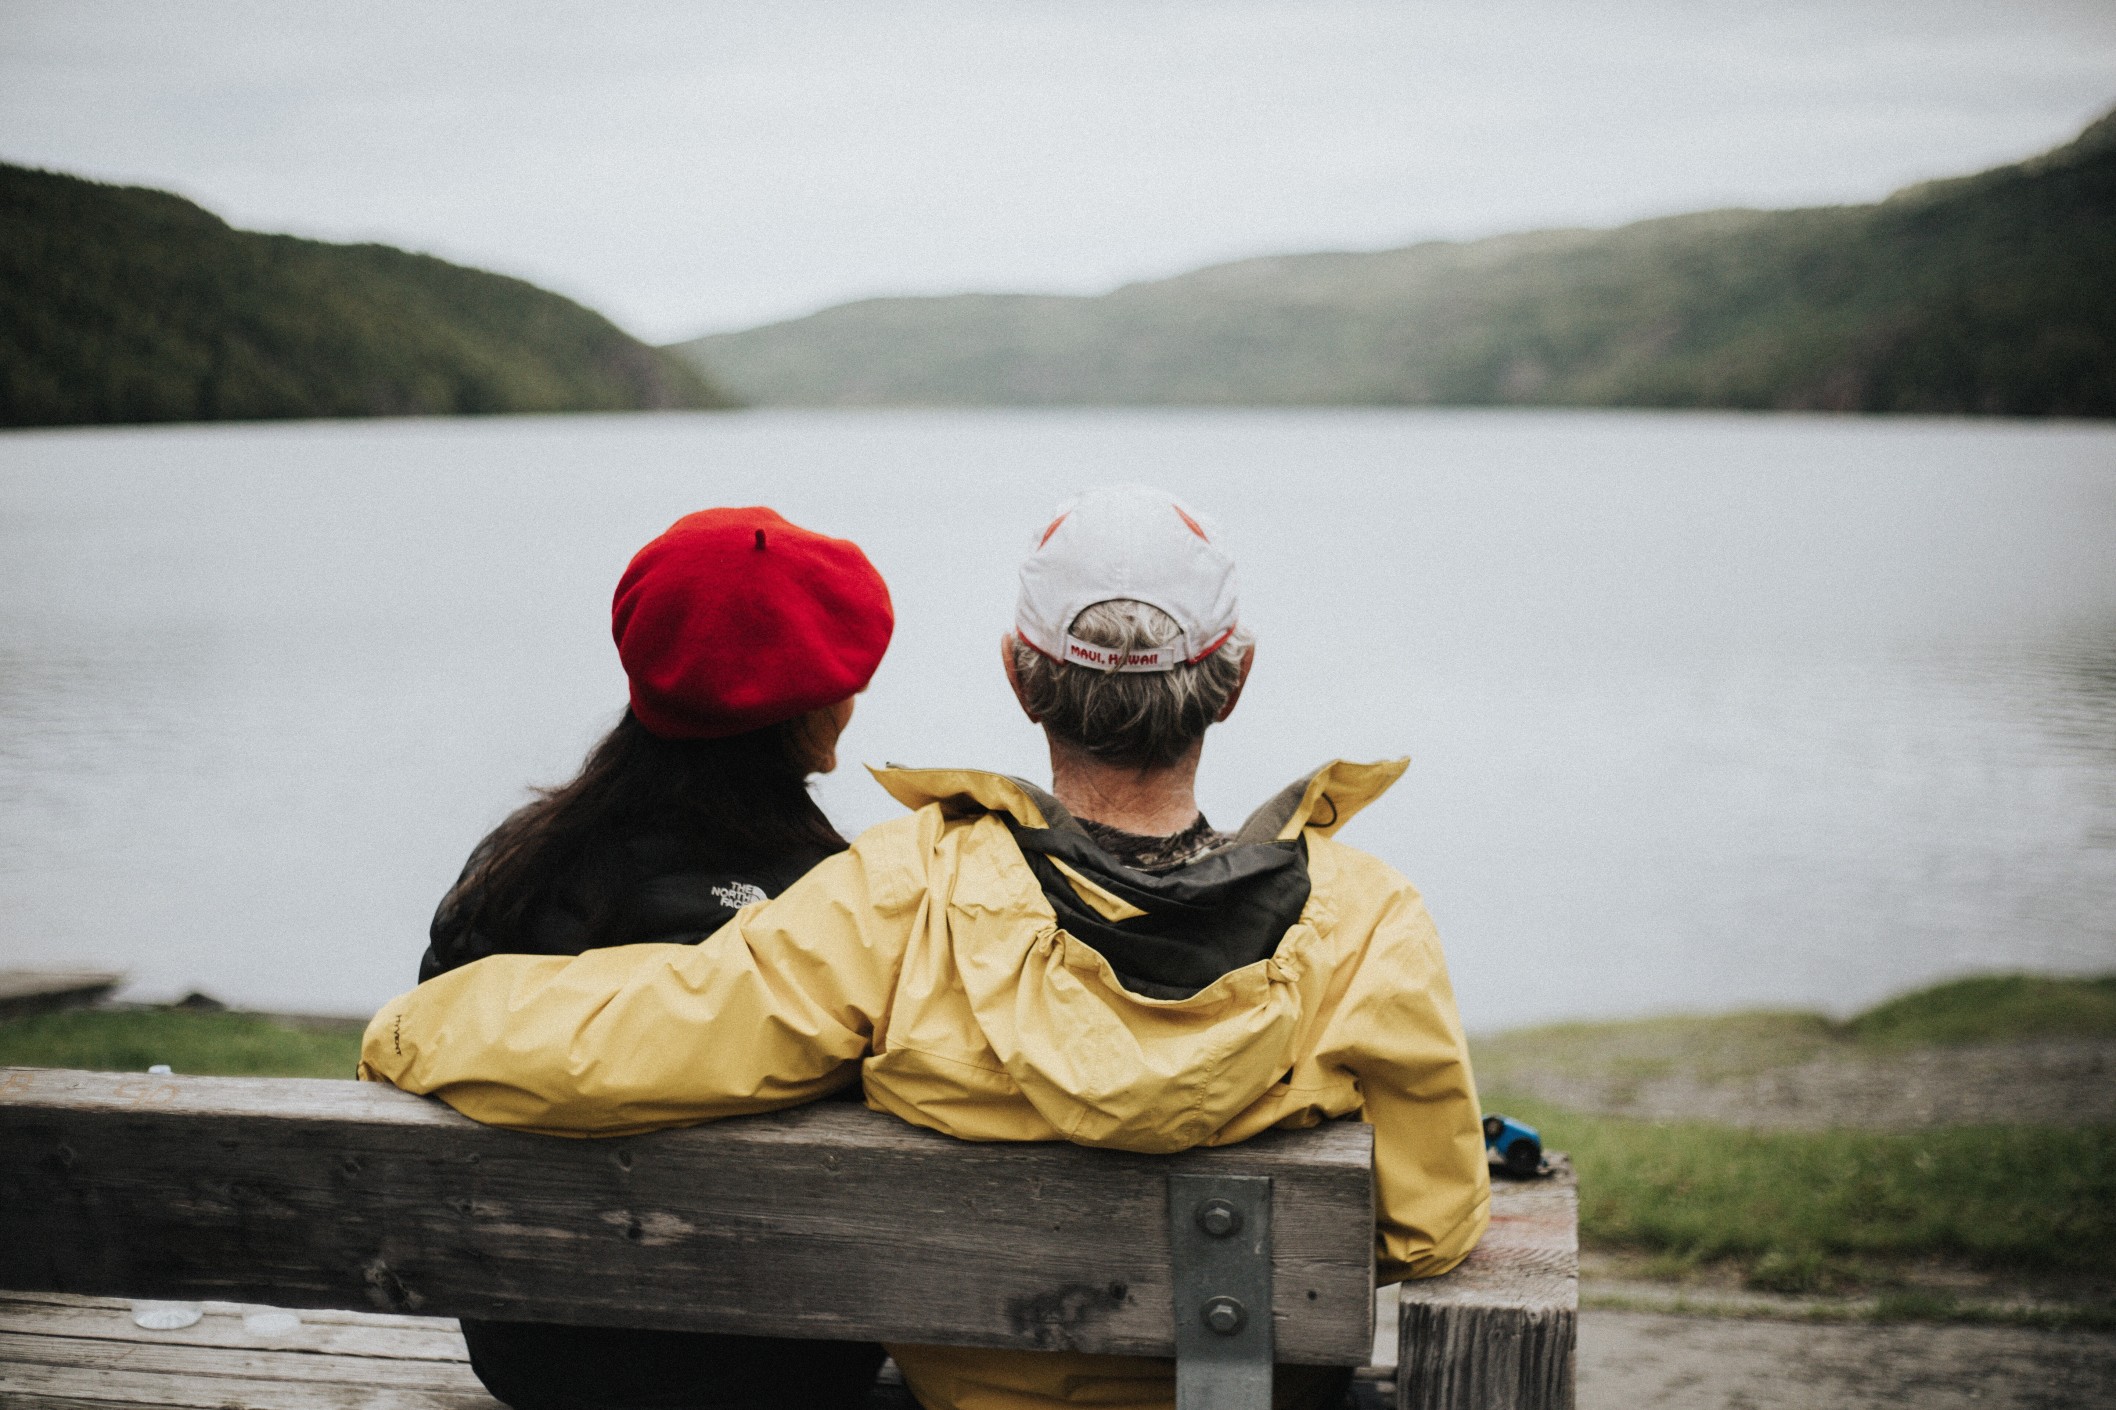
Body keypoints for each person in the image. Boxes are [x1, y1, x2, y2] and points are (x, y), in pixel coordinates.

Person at [363, 484, 1490, 1410]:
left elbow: (617, 1047)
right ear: (1233, 678)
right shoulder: (1371, 920)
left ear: (1018, 673)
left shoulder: (899, 894)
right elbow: (1427, 1228)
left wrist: (417, 1021)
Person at [415, 505, 896, 1410]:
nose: (852, 698)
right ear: (809, 705)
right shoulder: (844, 904)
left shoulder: (516, 872)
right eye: (843, 678)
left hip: (536, 1358)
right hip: (788, 1370)